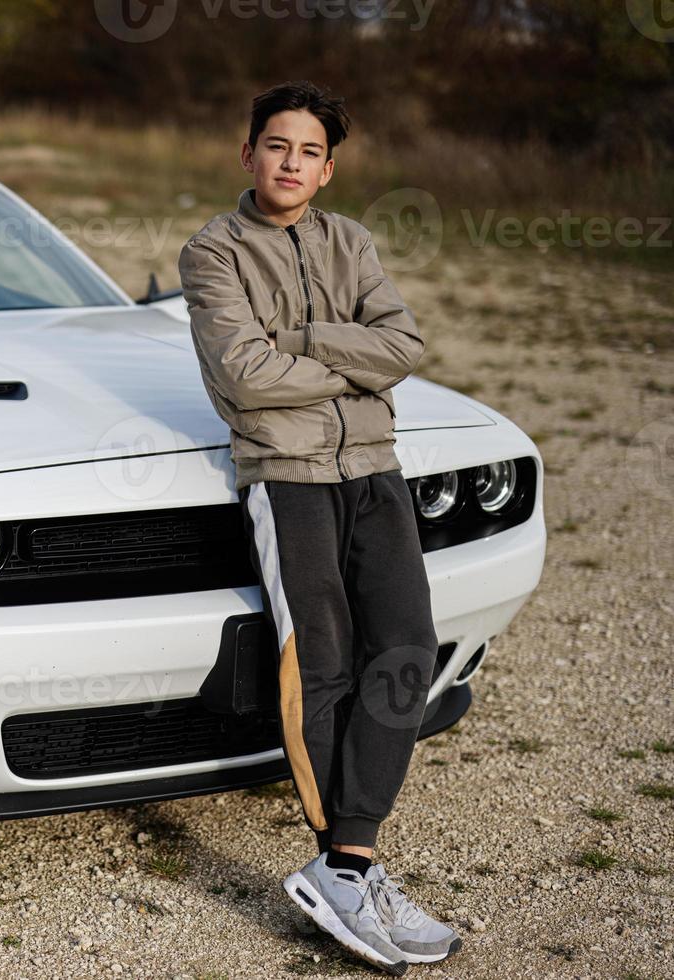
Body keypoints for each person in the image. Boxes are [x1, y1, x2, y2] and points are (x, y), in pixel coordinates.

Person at [177, 80, 462, 975]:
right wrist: (346, 350)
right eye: (275, 145)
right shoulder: (212, 251)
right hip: (287, 477)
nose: (290, 163)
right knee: (324, 662)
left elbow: (406, 348)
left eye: (308, 152)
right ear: (248, 154)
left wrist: (301, 341)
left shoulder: (351, 240)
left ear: (327, 169)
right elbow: (246, 376)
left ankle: (349, 861)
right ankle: (349, 865)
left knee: (409, 645)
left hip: (374, 470)